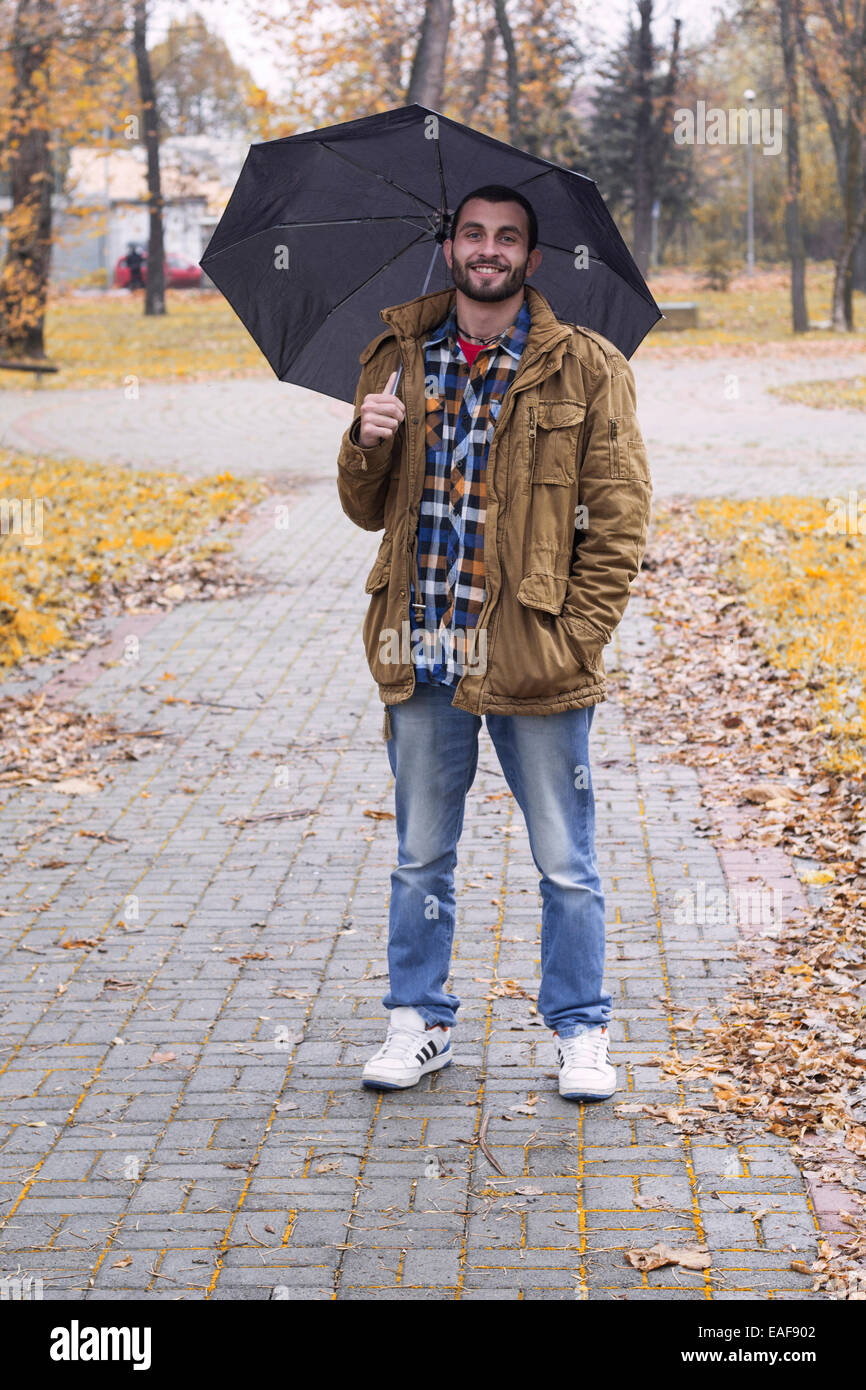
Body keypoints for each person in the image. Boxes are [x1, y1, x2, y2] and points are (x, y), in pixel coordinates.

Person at [335, 184, 652, 1102]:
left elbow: (621, 520)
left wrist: (579, 637)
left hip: (533, 653)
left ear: (532, 258)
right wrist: (367, 438)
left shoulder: (586, 366)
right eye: (473, 234)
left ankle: (582, 1032)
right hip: (423, 644)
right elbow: (364, 510)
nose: (488, 249)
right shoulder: (397, 357)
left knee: (565, 858)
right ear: (450, 248)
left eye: (507, 237)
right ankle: (418, 1019)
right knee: (420, 855)